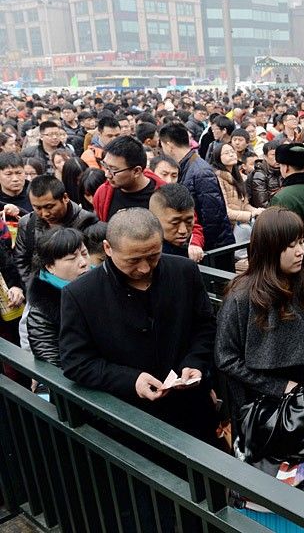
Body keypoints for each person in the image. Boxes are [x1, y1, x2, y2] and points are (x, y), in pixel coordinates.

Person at [59, 207, 220, 445]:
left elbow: (204, 326)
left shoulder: (184, 271)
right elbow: (76, 362)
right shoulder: (80, 294)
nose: (144, 268)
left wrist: (195, 362)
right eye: (133, 260)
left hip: (193, 411)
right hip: (131, 422)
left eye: (154, 256)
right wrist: (131, 380)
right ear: (107, 249)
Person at [214, 207, 304, 451]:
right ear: (270, 247)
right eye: (290, 244)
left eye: (302, 241)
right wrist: (278, 387)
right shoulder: (240, 297)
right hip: (262, 406)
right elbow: (225, 358)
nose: (300, 251)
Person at [158, 122, 235, 255]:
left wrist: (200, 245)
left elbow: (213, 216)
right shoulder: (185, 166)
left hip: (213, 249)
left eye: (162, 145)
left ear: (169, 145)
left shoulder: (201, 171)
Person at [13, 176, 99, 282]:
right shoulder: (27, 224)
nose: (44, 213)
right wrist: (31, 290)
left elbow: (95, 264)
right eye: (37, 208)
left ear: (65, 198)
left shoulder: (88, 223)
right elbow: (21, 261)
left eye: (49, 207)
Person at [26, 227, 90, 367]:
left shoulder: (104, 283)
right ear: (50, 267)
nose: (83, 262)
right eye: (72, 258)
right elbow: (52, 364)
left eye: (84, 254)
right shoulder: (42, 311)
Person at [93, 136, 160, 220]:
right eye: (105, 166)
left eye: (113, 169)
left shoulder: (162, 197)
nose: (107, 174)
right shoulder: (103, 194)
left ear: (136, 171)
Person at [210, 142, 264, 227]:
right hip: (229, 227)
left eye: (232, 151)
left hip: (240, 224)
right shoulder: (217, 178)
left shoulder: (238, 177)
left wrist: (257, 211)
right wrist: (250, 215)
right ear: (218, 158)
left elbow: (244, 205)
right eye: (226, 153)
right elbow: (226, 211)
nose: (231, 155)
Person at [247, 141, 283, 208]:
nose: (278, 157)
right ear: (265, 157)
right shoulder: (259, 175)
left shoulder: (284, 169)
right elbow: (262, 204)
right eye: (273, 155)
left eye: (280, 154)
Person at [0, 152, 32, 218]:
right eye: (8, 174)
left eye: (19, 173)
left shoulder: (36, 193)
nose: (15, 179)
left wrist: (19, 211)